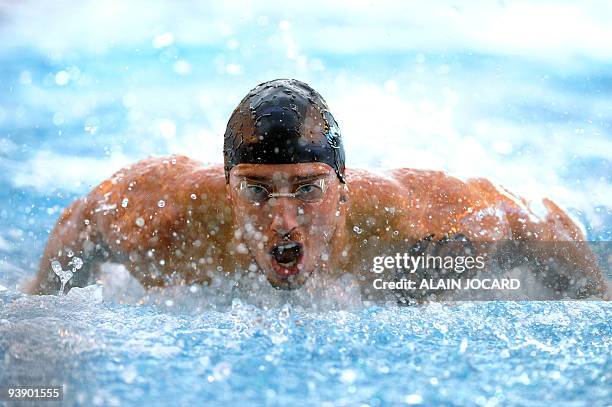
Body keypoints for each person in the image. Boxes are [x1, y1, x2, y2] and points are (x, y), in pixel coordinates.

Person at [27, 79, 609, 300]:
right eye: (257, 192)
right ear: (228, 191)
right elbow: (84, 218)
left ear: (343, 189)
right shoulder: (165, 221)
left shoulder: (414, 231)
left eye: (306, 189)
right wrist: (38, 301)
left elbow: (535, 222)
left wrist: (597, 300)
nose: (284, 220)